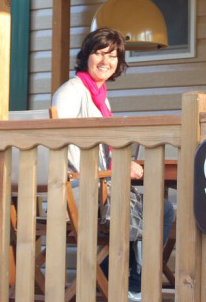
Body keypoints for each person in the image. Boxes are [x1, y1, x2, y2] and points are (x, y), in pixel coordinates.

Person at [52, 27, 174, 301]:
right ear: (86, 55)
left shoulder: (99, 95)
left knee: (155, 208)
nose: (106, 61)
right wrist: (117, 169)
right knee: (157, 209)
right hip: (78, 188)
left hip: (100, 185)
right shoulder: (71, 92)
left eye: (113, 56)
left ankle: (109, 275)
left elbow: (102, 144)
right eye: (100, 53)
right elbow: (65, 147)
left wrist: (123, 163)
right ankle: (132, 284)